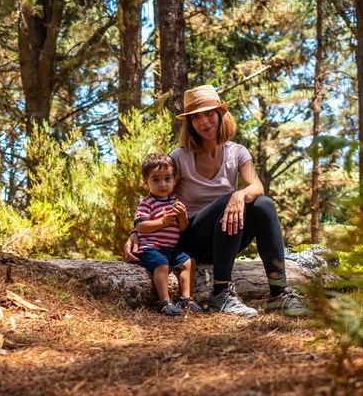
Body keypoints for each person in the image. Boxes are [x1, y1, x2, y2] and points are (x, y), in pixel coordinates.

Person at [125, 85, 308, 317]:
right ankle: (221, 293)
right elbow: (157, 193)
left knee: (264, 204)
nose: (204, 121)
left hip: (227, 241)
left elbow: (256, 186)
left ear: (221, 114)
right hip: (192, 239)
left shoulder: (238, 152)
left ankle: (279, 294)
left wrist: (239, 194)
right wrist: (136, 233)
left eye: (209, 113)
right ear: (190, 124)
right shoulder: (179, 157)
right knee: (226, 201)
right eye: (196, 117)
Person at [132, 152, 203, 316]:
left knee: (189, 262)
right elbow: (141, 226)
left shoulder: (175, 202)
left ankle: (186, 298)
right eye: (156, 180)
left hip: (171, 248)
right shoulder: (147, 203)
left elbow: (183, 228)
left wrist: (183, 217)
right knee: (162, 265)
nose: (162, 184)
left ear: (174, 180)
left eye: (167, 179)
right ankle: (164, 301)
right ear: (146, 182)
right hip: (151, 248)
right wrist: (162, 222)